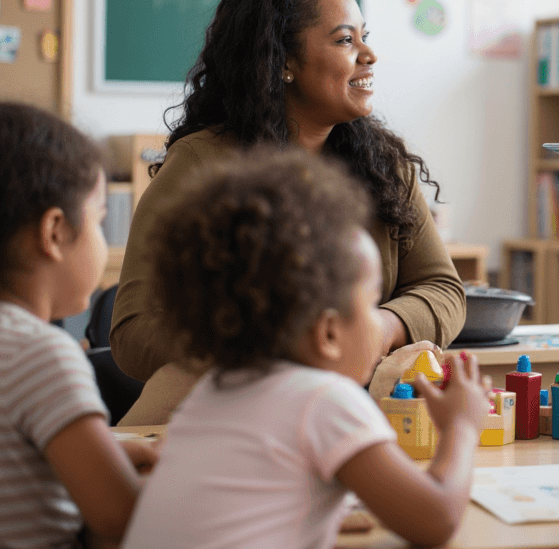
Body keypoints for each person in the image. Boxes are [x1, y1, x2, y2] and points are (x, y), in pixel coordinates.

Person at [110, 0, 464, 423]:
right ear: (283, 62)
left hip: (361, 413)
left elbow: (443, 289)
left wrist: (378, 328)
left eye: (364, 36)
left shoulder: (386, 166)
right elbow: (134, 330)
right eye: (344, 40)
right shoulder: (202, 165)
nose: (369, 54)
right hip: (235, 418)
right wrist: (274, 350)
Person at [122, 150, 491, 549]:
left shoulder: (214, 391)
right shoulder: (323, 400)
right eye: (370, 304)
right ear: (328, 333)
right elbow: (435, 520)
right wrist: (462, 427)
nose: (380, 318)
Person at [0, 102, 156, 547]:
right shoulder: (38, 353)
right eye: (99, 220)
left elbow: (2, 464)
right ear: (54, 231)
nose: (102, 238)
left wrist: (109, 453)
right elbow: (120, 516)